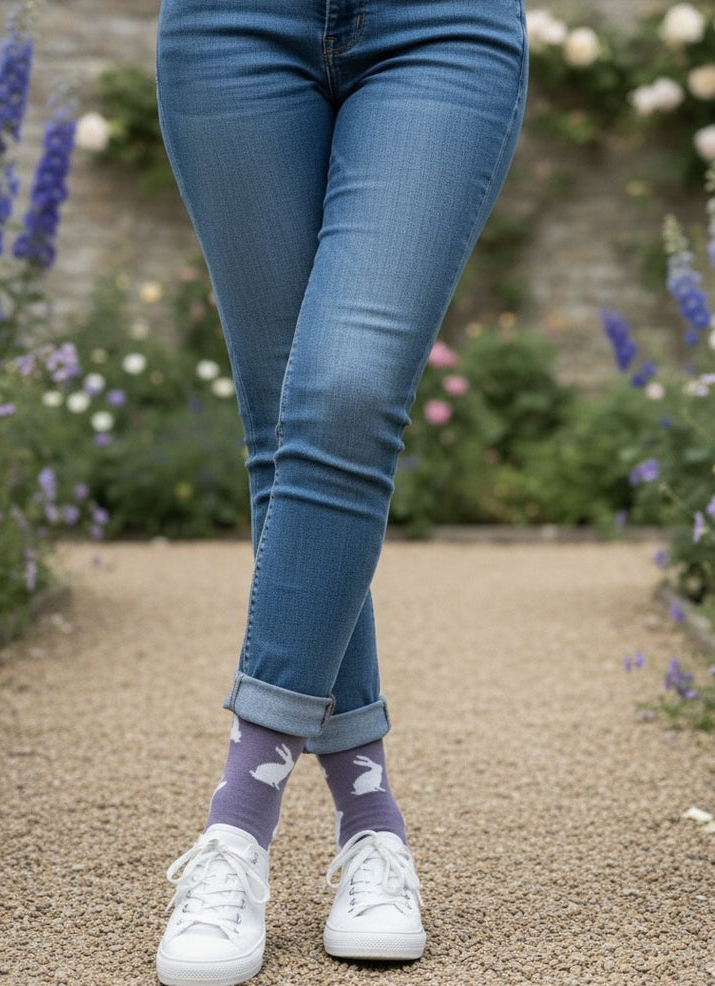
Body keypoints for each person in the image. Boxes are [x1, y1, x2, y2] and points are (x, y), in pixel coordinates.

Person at [154, 3, 527, 983]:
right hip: (230, 25)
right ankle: (371, 822)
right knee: (287, 428)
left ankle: (238, 823)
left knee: (348, 389)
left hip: (438, 25)